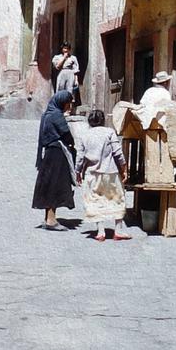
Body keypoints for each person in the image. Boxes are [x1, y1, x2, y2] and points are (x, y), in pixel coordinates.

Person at [76, 109, 131, 241]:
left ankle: (100, 232)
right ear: (103, 120)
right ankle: (118, 230)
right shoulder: (109, 132)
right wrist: (124, 169)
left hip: (92, 173)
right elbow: (118, 153)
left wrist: (78, 172)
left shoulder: (84, 135)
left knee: (95, 199)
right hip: (110, 172)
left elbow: (80, 157)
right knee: (117, 198)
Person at [33, 90, 76, 231]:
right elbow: (67, 135)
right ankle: (51, 220)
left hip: (49, 154)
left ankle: (48, 218)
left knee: (49, 185)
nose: (69, 107)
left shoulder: (47, 114)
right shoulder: (57, 115)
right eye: (68, 103)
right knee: (55, 187)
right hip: (57, 154)